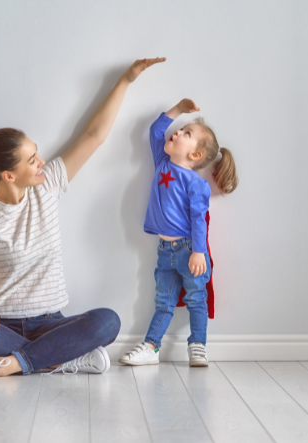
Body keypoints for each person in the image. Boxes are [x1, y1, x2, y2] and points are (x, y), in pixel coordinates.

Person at [0, 57, 165, 378]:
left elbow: (93, 136)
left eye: (37, 153)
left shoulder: (47, 185)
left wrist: (126, 80)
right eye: (32, 160)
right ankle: (59, 359)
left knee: (107, 321)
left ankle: (9, 365)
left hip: (51, 323)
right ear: (8, 175)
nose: (42, 162)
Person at [118, 98, 238, 367]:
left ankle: (198, 346)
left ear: (195, 155)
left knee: (197, 299)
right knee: (163, 301)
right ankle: (151, 347)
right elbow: (155, 131)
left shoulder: (196, 184)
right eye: (180, 129)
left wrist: (198, 252)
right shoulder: (162, 161)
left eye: (186, 133)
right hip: (165, 251)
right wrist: (178, 111)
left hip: (189, 250)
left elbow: (199, 220)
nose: (177, 132)